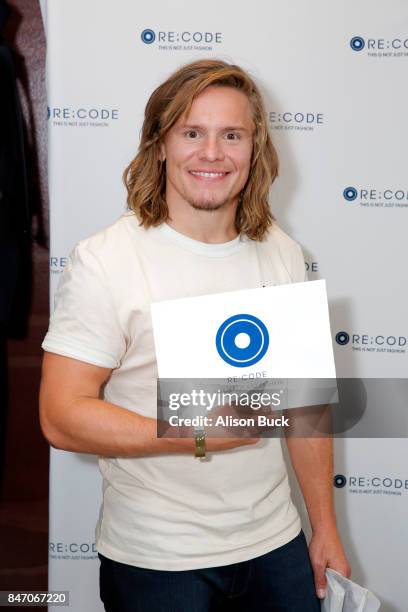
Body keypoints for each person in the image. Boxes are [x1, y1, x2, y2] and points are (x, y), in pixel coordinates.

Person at [40, 59, 350, 611]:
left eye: (231, 134)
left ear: (254, 149)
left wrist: (323, 526)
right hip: (159, 562)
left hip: (275, 545)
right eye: (191, 133)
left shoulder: (281, 251)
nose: (212, 153)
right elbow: (60, 416)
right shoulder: (107, 260)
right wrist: (195, 433)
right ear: (160, 144)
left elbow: (305, 407)